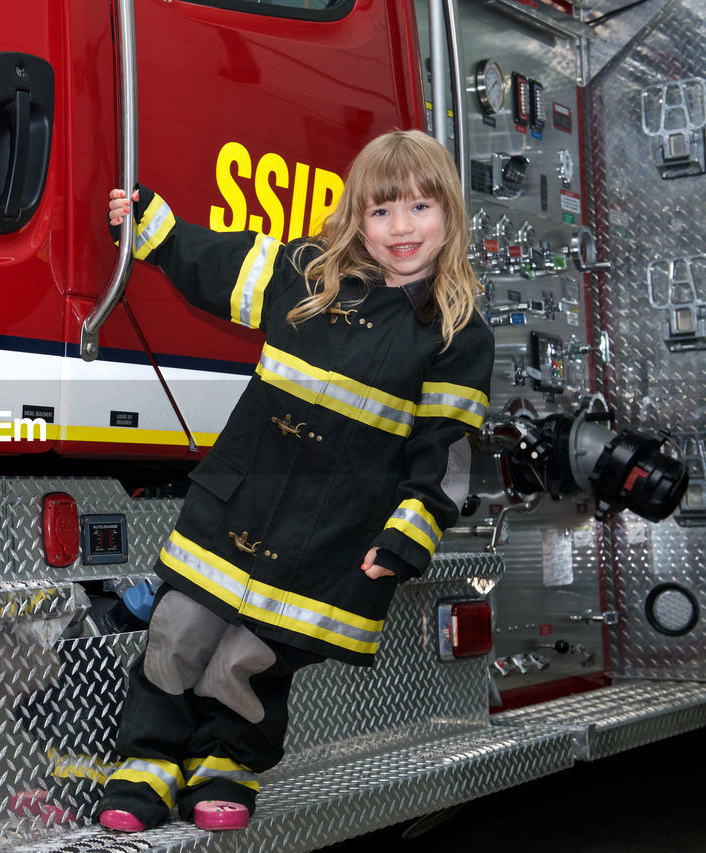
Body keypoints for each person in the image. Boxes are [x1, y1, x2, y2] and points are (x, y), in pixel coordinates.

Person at [95, 130, 495, 834]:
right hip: (241, 497)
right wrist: (151, 224)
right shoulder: (307, 275)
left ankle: (226, 761)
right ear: (355, 217)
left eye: (419, 208)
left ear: (450, 215)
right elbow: (212, 263)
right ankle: (147, 761)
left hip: (335, 527)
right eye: (381, 211)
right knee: (180, 627)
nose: (401, 228)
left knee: (252, 653)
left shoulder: (457, 330)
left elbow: (448, 449)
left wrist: (408, 534)